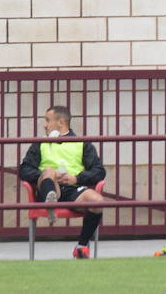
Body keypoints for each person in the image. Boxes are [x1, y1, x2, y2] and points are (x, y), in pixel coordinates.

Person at [18, 105, 107, 260]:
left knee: (97, 201)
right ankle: (50, 202)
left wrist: (77, 178)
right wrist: (46, 175)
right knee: (49, 171)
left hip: (73, 189)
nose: (44, 125)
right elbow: (24, 170)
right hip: (48, 186)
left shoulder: (82, 143)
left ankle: (81, 246)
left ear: (60, 122)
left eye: (47, 120)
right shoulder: (39, 143)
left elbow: (99, 171)